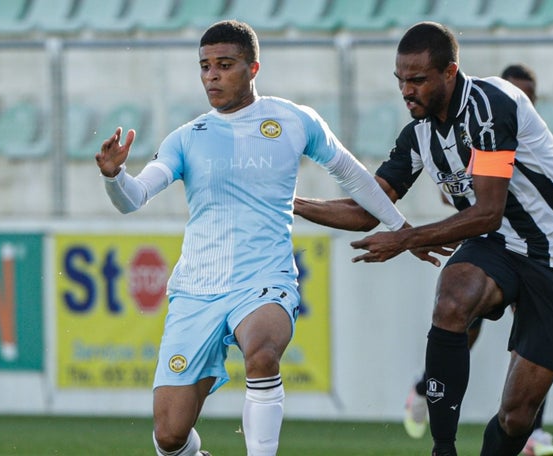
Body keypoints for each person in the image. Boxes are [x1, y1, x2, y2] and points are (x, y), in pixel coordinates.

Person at [95, 20, 407, 456]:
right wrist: (115, 177)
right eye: (204, 66)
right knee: (169, 437)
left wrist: (401, 228)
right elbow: (135, 197)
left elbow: (352, 175)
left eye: (224, 65)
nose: (212, 76)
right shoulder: (186, 138)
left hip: (264, 280)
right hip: (197, 291)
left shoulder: (295, 120)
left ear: (253, 67)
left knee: (261, 353)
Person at [294, 22, 553, 456]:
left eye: (417, 80)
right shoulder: (417, 135)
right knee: (452, 299)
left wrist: (405, 238)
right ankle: (443, 448)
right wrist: (290, 203)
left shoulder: (490, 106)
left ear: (450, 72)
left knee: (516, 416)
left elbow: (488, 210)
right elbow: (366, 212)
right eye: (400, 80)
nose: (406, 91)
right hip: (497, 244)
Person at [402, 62, 553, 456]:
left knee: (531, 345)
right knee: (462, 316)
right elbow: (462, 194)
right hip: (494, 243)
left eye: (530, 95)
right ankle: (428, 389)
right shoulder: (475, 130)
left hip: (537, 250)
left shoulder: (527, 133)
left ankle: (530, 429)